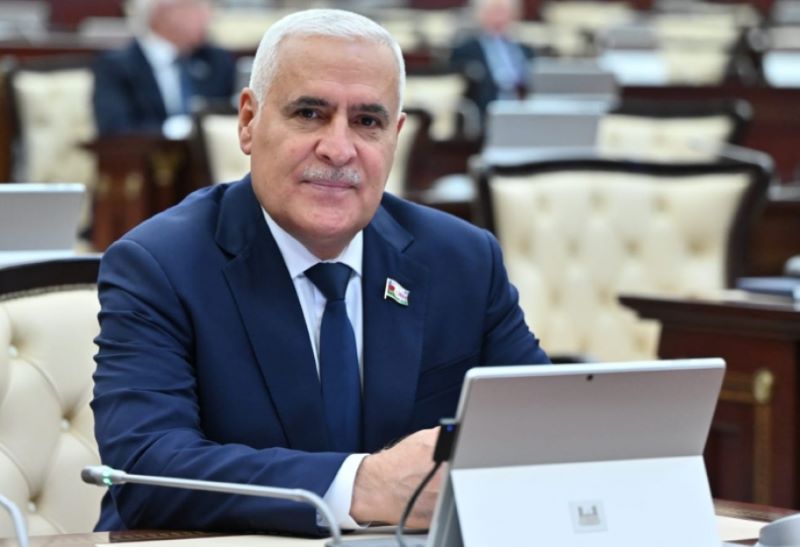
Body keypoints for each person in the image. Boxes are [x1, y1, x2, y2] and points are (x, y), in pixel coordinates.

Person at [91, 8, 549, 537]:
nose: (338, 149)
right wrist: (362, 486)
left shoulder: (462, 259)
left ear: (396, 135)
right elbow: (145, 469)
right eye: (309, 113)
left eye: (367, 122)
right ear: (248, 121)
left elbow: (545, 428)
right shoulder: (160, 264)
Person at [91, 0, 235, 136]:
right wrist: (171, 131)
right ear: (165, 13)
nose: (208, 16)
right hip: (148, 152)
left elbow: (232, 115)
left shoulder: (215, 60)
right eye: (196, 6)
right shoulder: (116, 67)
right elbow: (115, 130)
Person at [449, 0, 534, 124]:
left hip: (525, 112)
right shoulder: (466, 51)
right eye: (494, 12)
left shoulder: (526, 50)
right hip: (486, 115)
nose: (499, 18)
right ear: (480, 15)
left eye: (504, 12)